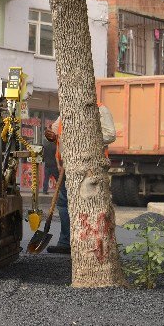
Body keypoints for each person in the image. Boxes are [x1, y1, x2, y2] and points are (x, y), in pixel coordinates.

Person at [44, 104, 115, 256]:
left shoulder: (100, 109)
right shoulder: (66, 110)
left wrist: (82, 139)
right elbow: (55, 132)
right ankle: (65, 242)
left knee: (87, 205)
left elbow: (110, 135)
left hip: (89, 168)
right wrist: (50, 134)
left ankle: (90, 243)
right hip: (66, 167)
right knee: (63, 203)